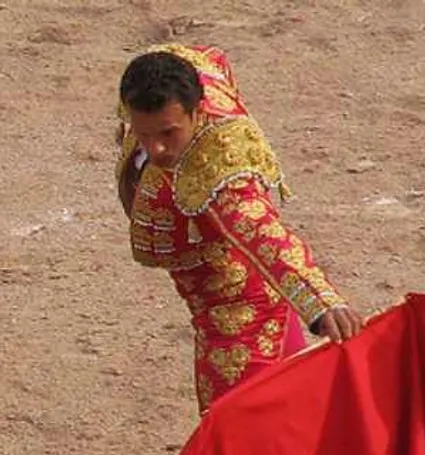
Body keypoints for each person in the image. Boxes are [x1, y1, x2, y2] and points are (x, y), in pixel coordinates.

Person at [116, 44, 364, 413]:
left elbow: (265, 233)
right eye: (143, 133)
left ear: (197, 111)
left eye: (168, 133)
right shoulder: (175, 72)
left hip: (239, 305)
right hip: (215, 289)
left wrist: (321, 301)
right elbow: (210, 57)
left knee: (236, 423)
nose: (155, 148)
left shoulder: (221, 173)